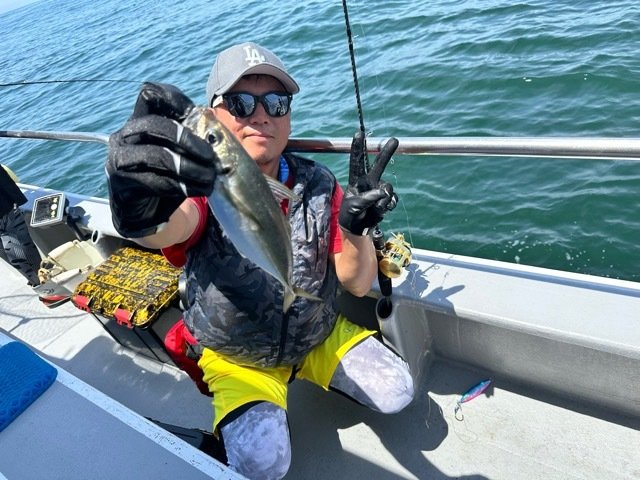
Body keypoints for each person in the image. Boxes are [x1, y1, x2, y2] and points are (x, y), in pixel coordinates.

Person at [106, 42, 414, 479]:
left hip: (317, 332)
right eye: (240, 102)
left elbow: (358, 284)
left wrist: (354, 229)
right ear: (213, 116)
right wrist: (139, 206)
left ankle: (305, 370)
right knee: (262, 463)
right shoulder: (200, 190)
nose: (261, 115)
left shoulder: (319, 183)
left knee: (397, 390)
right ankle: (227, 431)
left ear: (288, 115)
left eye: (276, 102)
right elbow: (167, 227)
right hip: (238, 355)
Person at [0, 164, 41, 286]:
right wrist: (18, 200)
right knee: (21, 243)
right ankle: (42, 280)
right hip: (4, 208)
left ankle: (35, 280)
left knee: (7, 248)